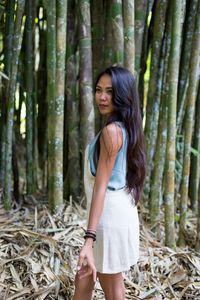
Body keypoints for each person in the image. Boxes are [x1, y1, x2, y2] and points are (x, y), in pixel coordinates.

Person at [73, 66, 146, 300]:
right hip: (118, 212)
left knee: (110, 288)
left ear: (122, 95)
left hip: (109, 217)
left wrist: (89, 237)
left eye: (110, 92)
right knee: (86, 278)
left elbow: (101, 187)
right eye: (98, 90)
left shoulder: (112, 132)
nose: (102, 97)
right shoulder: (125, 128)